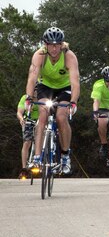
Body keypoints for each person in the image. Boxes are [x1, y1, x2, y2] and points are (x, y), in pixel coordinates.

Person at [25, 26, 80, 175]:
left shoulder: (69, 56)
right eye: (51, 44)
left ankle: (65, 155)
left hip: (65, 88)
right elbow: (32, 78)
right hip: (46, 86)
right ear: (45, 45)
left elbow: (75, 82)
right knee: (42, 115)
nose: (54, 48)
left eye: (57, 44)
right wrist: (29, 98)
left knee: (61, 117)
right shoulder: (39, 55)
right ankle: (37, 157)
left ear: (62, 44)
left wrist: (73, 102)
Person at [91, 66, 109, 158]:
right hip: (104, 108)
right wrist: (95, 112)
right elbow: (96, 100)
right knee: (101, 122)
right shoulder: (98, 85)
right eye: (107, 81)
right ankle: (104, 144)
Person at [17, 87, 39, 179]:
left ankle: (38, 162)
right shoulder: (25, 98)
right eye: (33, 89)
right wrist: (21, 119)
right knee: (27, 142)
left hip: (39, 122)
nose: (35, 91)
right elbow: (19, 112)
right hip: (28, 121)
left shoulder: (43, 98)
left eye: (37, 89)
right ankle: (24, 168)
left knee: (39, 141)